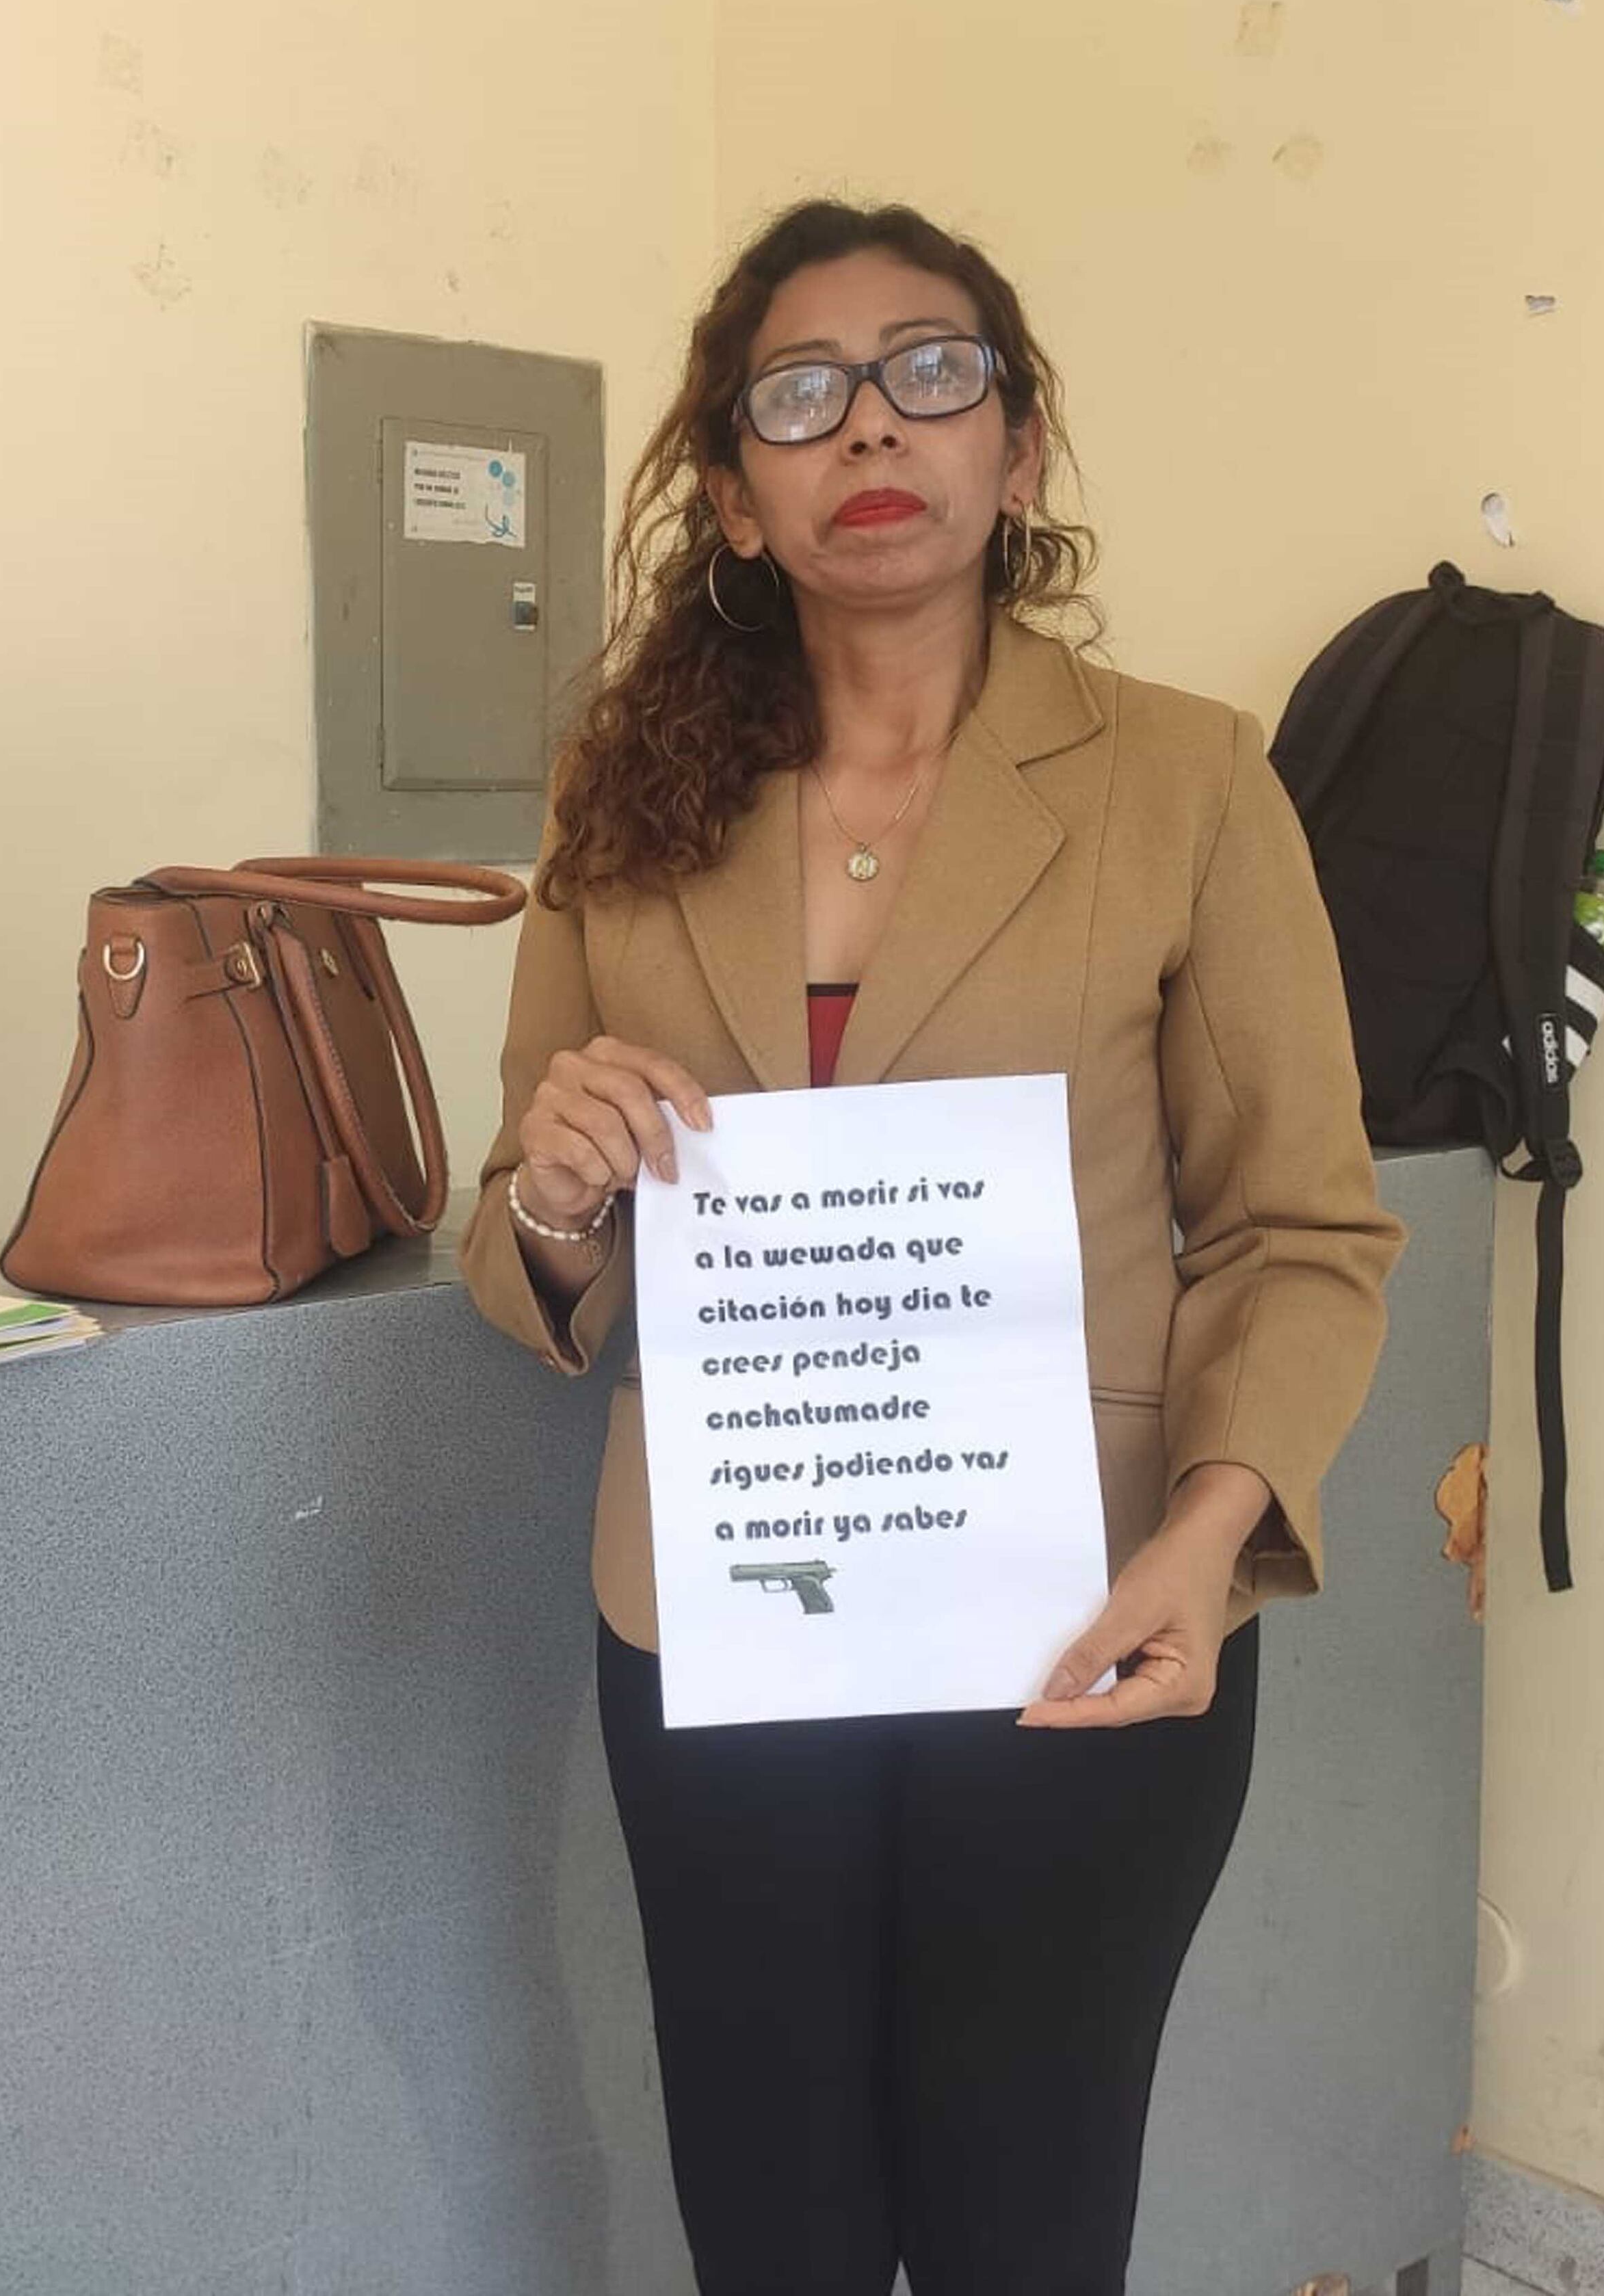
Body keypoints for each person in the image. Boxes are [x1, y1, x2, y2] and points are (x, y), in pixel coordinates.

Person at [458, 198, 1405, 2296]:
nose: (871, 424)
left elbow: (1301, 1227)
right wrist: (554, 1193)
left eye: (931, 371)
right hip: (727, 1607)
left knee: (1023, 2222)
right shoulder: (623, 800)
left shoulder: (1186, 779)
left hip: (1081, 1609)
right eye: (801, 394)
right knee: (769, 2218)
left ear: (1019, 446)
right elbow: (528, 1243)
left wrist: (1214, 1538)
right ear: (734, 492)